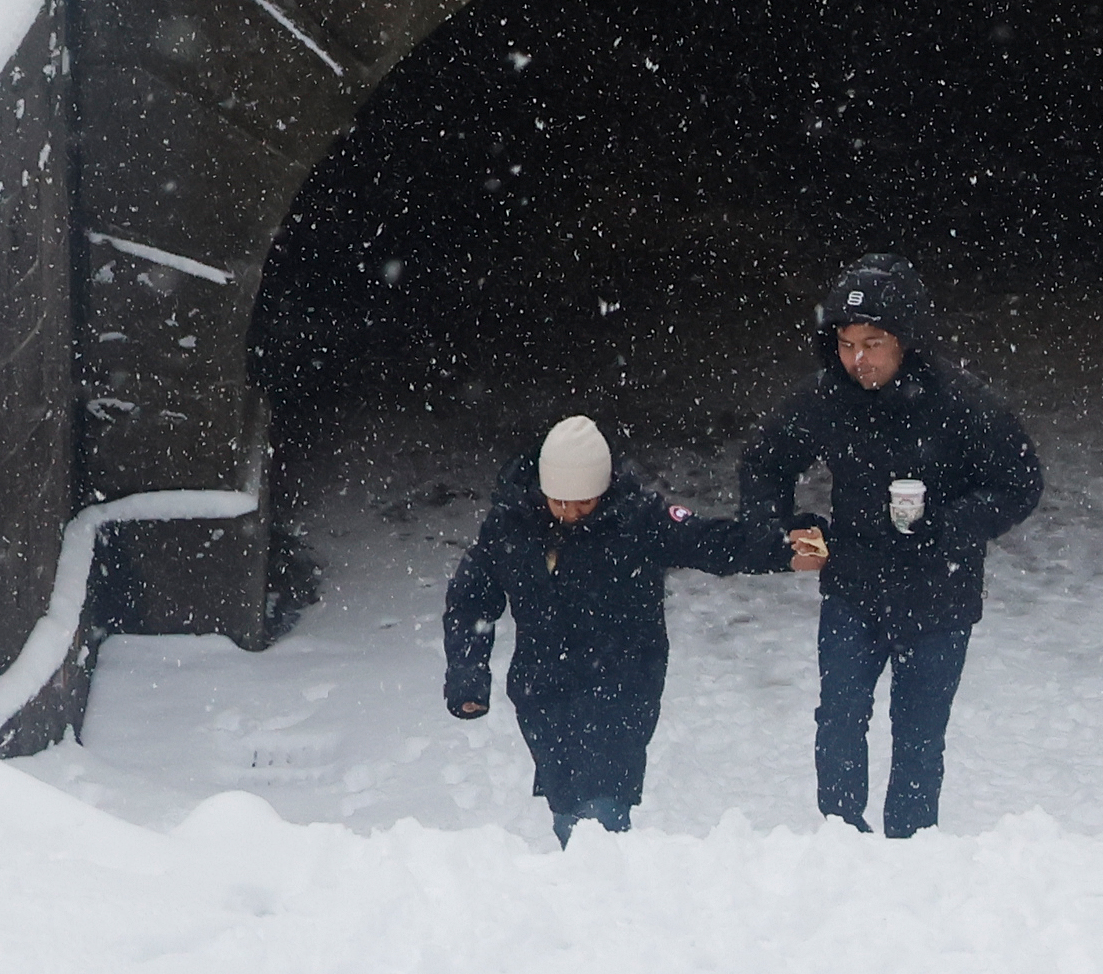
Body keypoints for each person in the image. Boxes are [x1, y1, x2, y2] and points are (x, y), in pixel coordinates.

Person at [735, 254, 1042, 837]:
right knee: (839, 722)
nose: (859, 359)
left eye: (873, 343)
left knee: (919, 734)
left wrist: (951, 526)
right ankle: (841, 844)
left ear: (905, 340)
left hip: (939, 596)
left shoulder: (960, 402)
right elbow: (764, 462)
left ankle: (909, 852)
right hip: (854, 588)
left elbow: (1019, 482)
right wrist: (780, 525)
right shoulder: (826, 398)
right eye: (848, 344)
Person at [442, 412, 807, 842]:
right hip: (543, 689)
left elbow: (711, 542)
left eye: (584, 502)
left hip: (622, 682)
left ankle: (597, 887)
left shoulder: (638, 519)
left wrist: (783, 551)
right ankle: (592, 886)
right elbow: (470, 600)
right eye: (559, 501)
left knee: (601, 810)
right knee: (567, 804)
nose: (570, 514)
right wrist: (468, 676)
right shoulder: (511, 525)